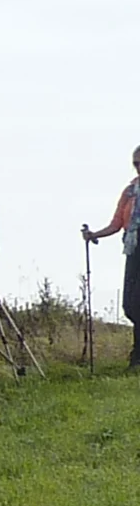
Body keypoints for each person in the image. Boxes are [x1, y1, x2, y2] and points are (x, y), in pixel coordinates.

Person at [80, 145, 140, 368]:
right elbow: (117, 223)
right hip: (133, 248)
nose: (138, 168)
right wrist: (94, 235)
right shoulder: (130, 191)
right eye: (135, 164)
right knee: (130, 306)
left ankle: (137, 357)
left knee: (138, 303)